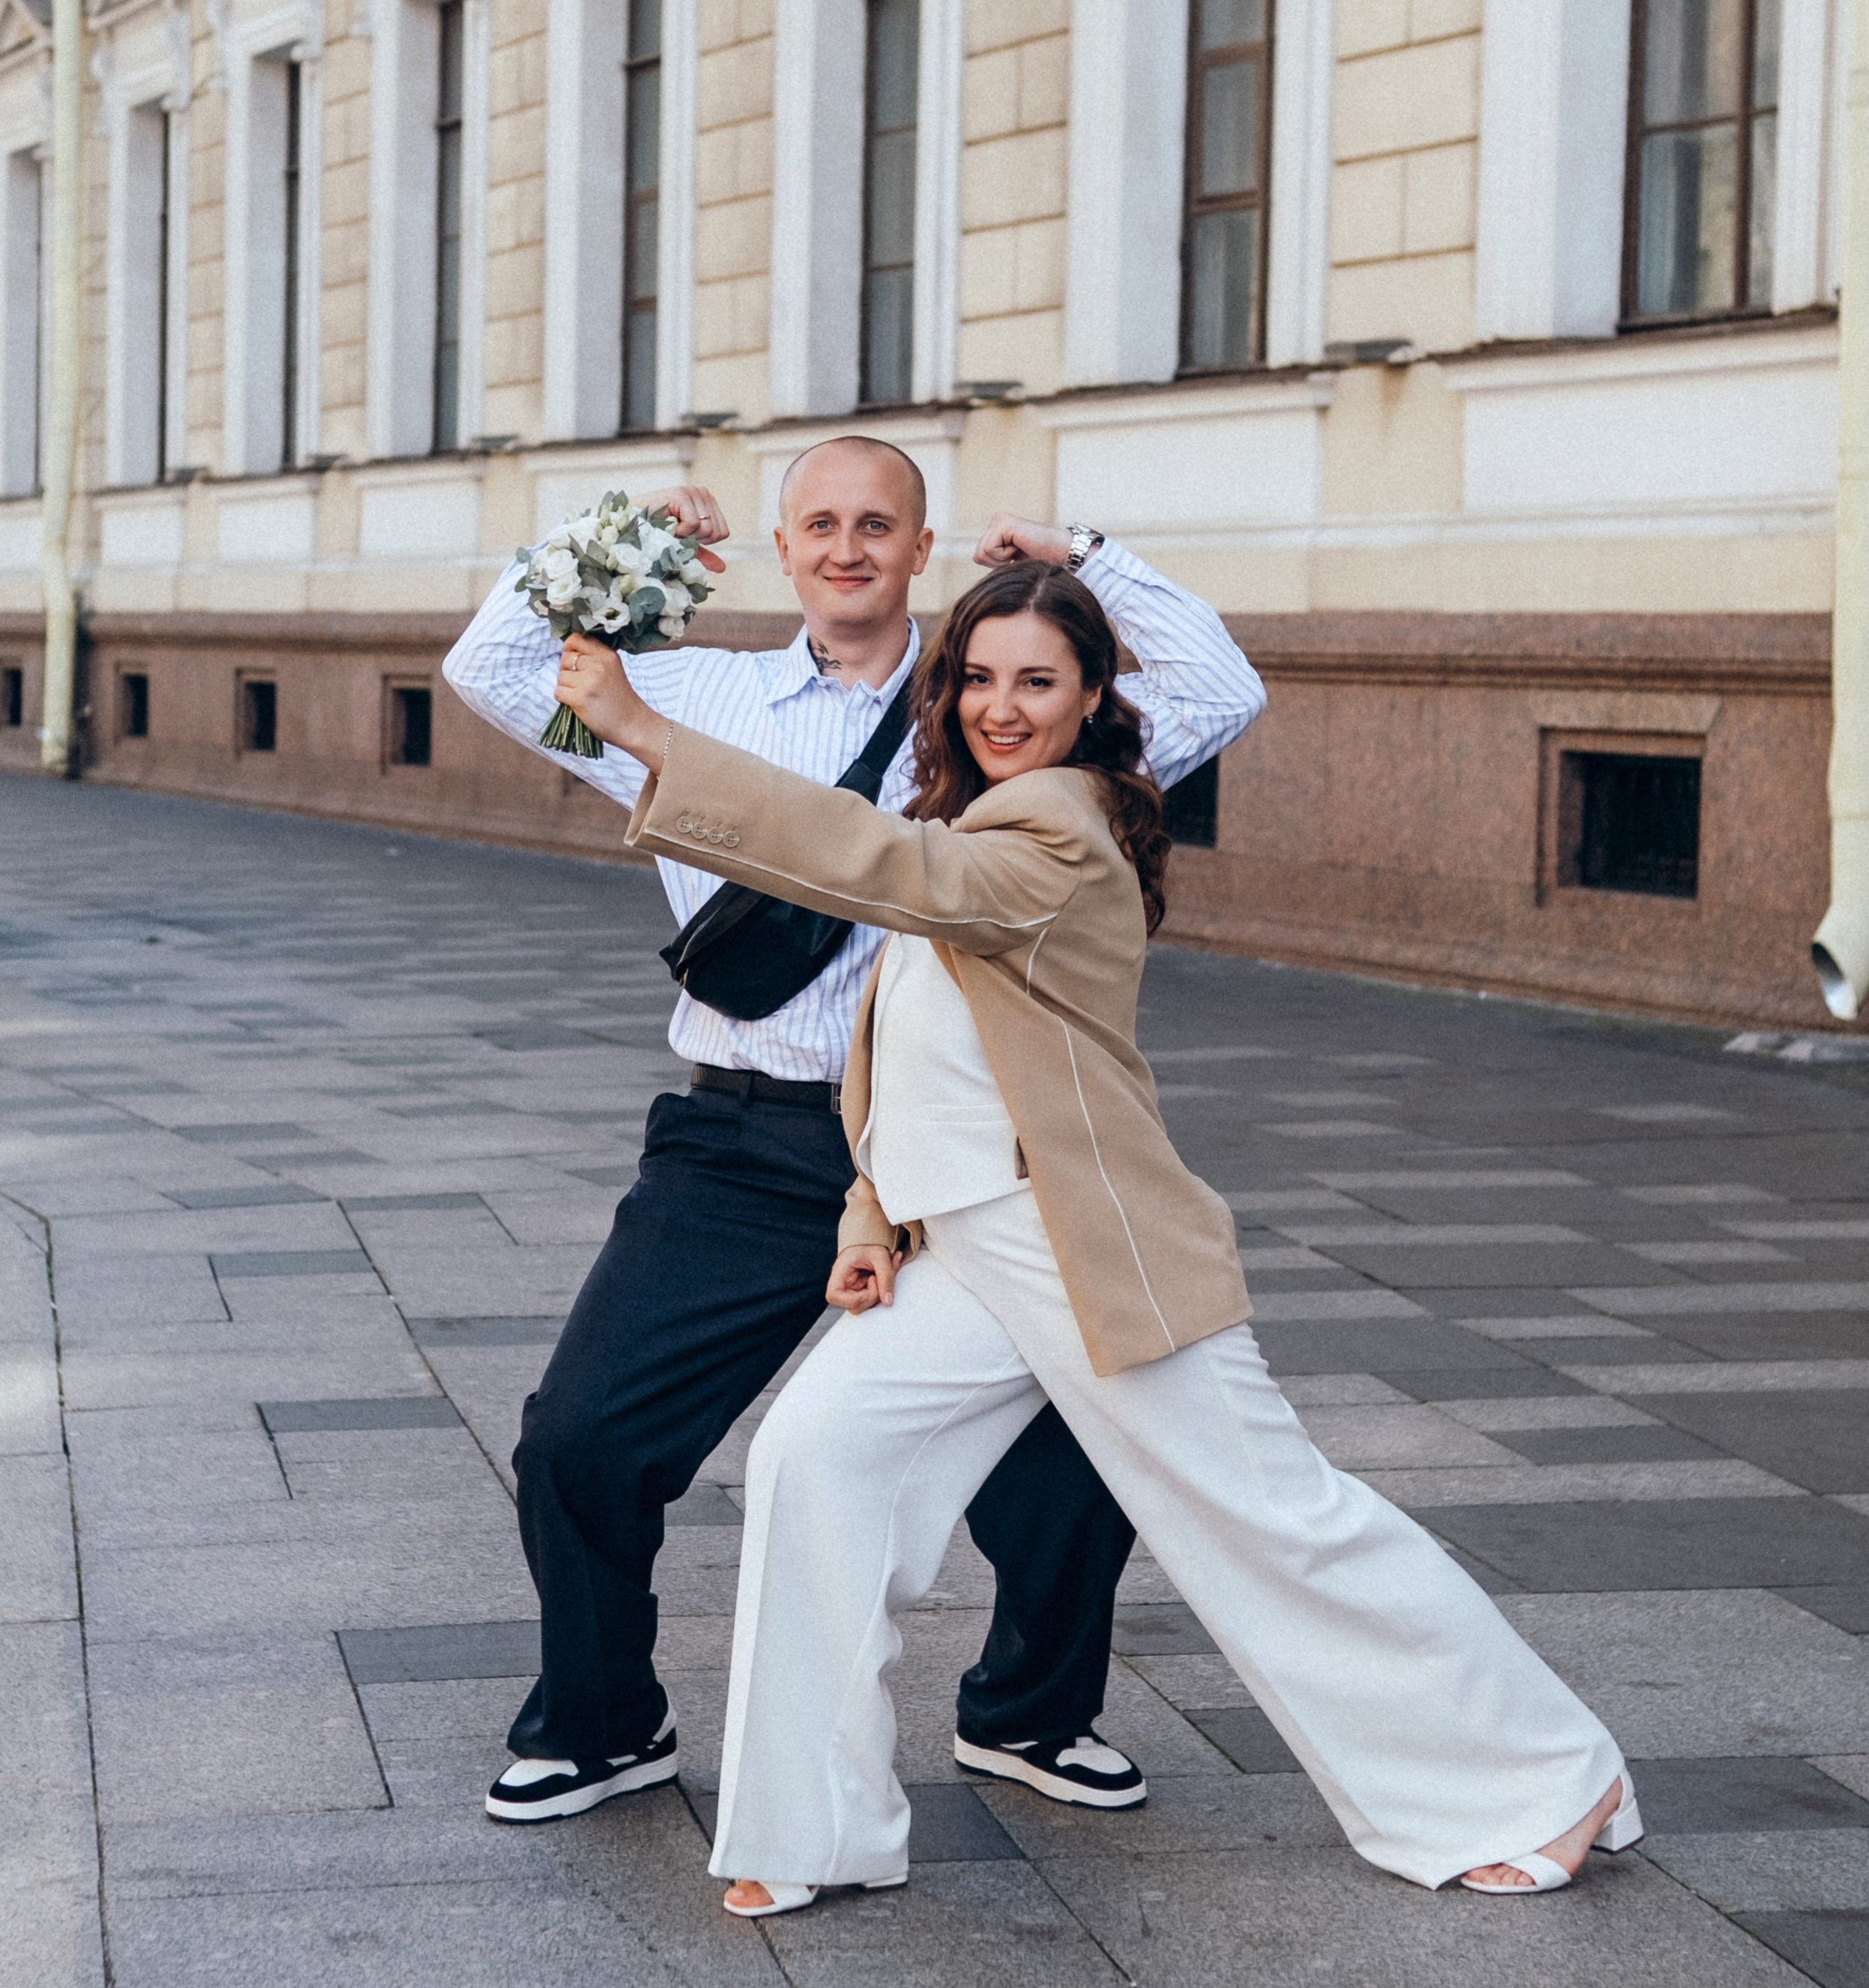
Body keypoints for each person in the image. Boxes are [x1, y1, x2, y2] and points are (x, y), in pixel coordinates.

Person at [549, 558, 1640, 1913]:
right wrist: (873, 1213)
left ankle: (1546, 1775)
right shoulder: (979, 815)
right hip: (968, 1251)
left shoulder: (1060, 828)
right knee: (815, 1457)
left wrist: (655, 736)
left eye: (1038, 680)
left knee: (1275, 1522)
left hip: (1084, 1248)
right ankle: (809, 1824)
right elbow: (910, 1052)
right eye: (980, 676)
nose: (1003, 705)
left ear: (1089, 700)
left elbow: (885, 870)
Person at [443, 437, 1266, 1823]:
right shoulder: (693, 689)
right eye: (819, 524)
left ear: (920, 546)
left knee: (1083, 1444)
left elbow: (1219, 691)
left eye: (877, 524)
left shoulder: (1002, 719)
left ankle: (1029, 1711)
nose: (847, 548)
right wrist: (625, 523)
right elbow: (496, 670)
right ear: (779, 547)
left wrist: (1085, 561)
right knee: (580, 1438)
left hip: (956, 1155)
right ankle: (601, 1718)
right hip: (747, 1144)